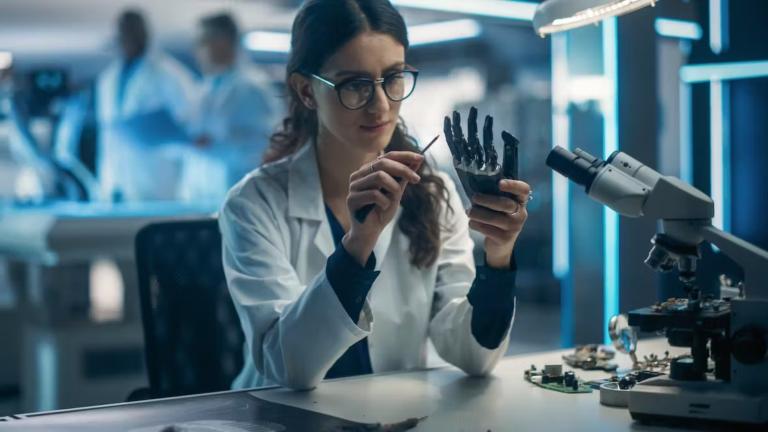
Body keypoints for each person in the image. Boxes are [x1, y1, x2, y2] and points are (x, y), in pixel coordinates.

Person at [219, 0, 532, 391]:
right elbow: (289, 368)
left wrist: (498, 258)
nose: (382, 105)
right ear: (306, 91)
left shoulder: (432, 194)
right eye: (355, 85)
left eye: (394, 78)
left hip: (390, 414)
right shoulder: (253, 204)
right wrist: (358, 243)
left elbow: (471, 355)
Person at [96, 9, 196, 202]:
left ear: (145, 34)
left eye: (133, 33)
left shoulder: (169, 73)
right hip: (116, 177)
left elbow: (191, 122)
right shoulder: (108, 79)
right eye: (124, 33)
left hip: (156, 174)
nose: (128, 39)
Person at [180, 13, 280, 201]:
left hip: (237, 197)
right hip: (202, 197)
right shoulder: (206, 88)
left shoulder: (251, 87)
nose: (197, 50)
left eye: (203, 41)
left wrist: (213, 146)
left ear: (223, 42)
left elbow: (261, 151)